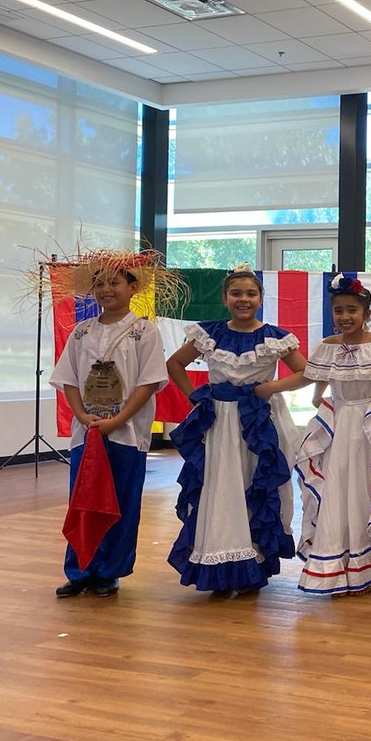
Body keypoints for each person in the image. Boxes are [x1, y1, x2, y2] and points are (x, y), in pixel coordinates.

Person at [257, 274, 371, 597]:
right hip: (338, 421)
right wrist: (319, 394)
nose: (345, 317)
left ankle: (364, 564)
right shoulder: (327, 347)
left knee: (364, 488)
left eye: (352, 310)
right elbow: (320, 373)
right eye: (339, 311)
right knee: (336, 489)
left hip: (370, 421)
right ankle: (336, 562)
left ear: (366, 313)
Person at [165, 265, 303, 594]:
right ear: (225, 298)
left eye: (250, 293)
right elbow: (175, 364)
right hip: (220, 422)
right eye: (236, 293)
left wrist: (271, 388)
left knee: (255, 484)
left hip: (258, 422)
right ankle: (221, 562)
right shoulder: (209, 333)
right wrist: (195, 398)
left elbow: (306, 372)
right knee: (221, 487)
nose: (244, 299)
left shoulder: (275, 337)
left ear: (260, 298)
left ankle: (253, 560)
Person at [50, 253, 169, 597]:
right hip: (86, 432)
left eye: (114, 282)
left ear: (133, 288)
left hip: (126, 432)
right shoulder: (81, 331)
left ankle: (109, 571)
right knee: (83, 498)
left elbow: (148, 382)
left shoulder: (144, 331)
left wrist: (118, 419)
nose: (105, 289)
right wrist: (82, 415)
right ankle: (80, 569)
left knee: (121, 499)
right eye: (99, 283)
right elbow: (68, 379)